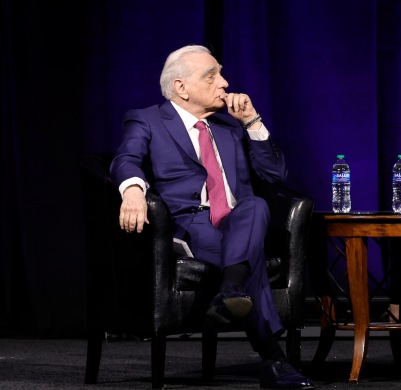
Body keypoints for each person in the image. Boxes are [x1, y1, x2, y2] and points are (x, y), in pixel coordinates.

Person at [110, 45, 313, 389]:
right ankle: (273, 359)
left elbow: (275, 176)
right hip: (191, 225)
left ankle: (230, 291)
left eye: (221, 73)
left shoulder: (230, 128)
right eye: (211, 75)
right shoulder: (147, 119)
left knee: (257, 206)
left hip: (240, 223)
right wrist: (132, 190)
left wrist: (252, 121)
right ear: (181, 87)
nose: (225, 82)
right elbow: (125, 159)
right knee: (253, 258)